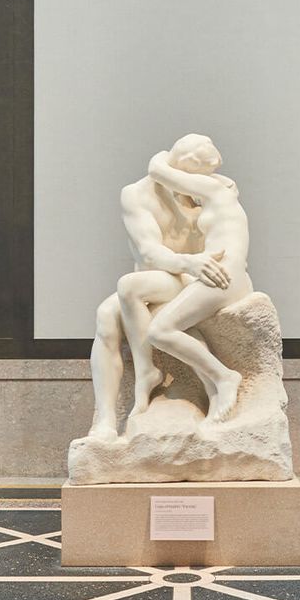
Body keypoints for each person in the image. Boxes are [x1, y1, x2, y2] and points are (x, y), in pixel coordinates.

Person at [89, 139, 229, 439]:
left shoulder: (212, 189)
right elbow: (149, 251)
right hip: (164, 275)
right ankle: (105, 420)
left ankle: (148, 373)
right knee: (106, 315)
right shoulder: (138, 194)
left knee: (129, 288)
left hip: (194, 281)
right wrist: (188, 262)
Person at [125, 135, 252, 425]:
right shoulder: (218, 189)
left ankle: (225, 377)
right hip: (220, 274)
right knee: (159, 318)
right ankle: (213, 389)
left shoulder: (214, 189)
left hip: (225, 276)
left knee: (160, 331)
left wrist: (164, 155)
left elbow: (158, 170)